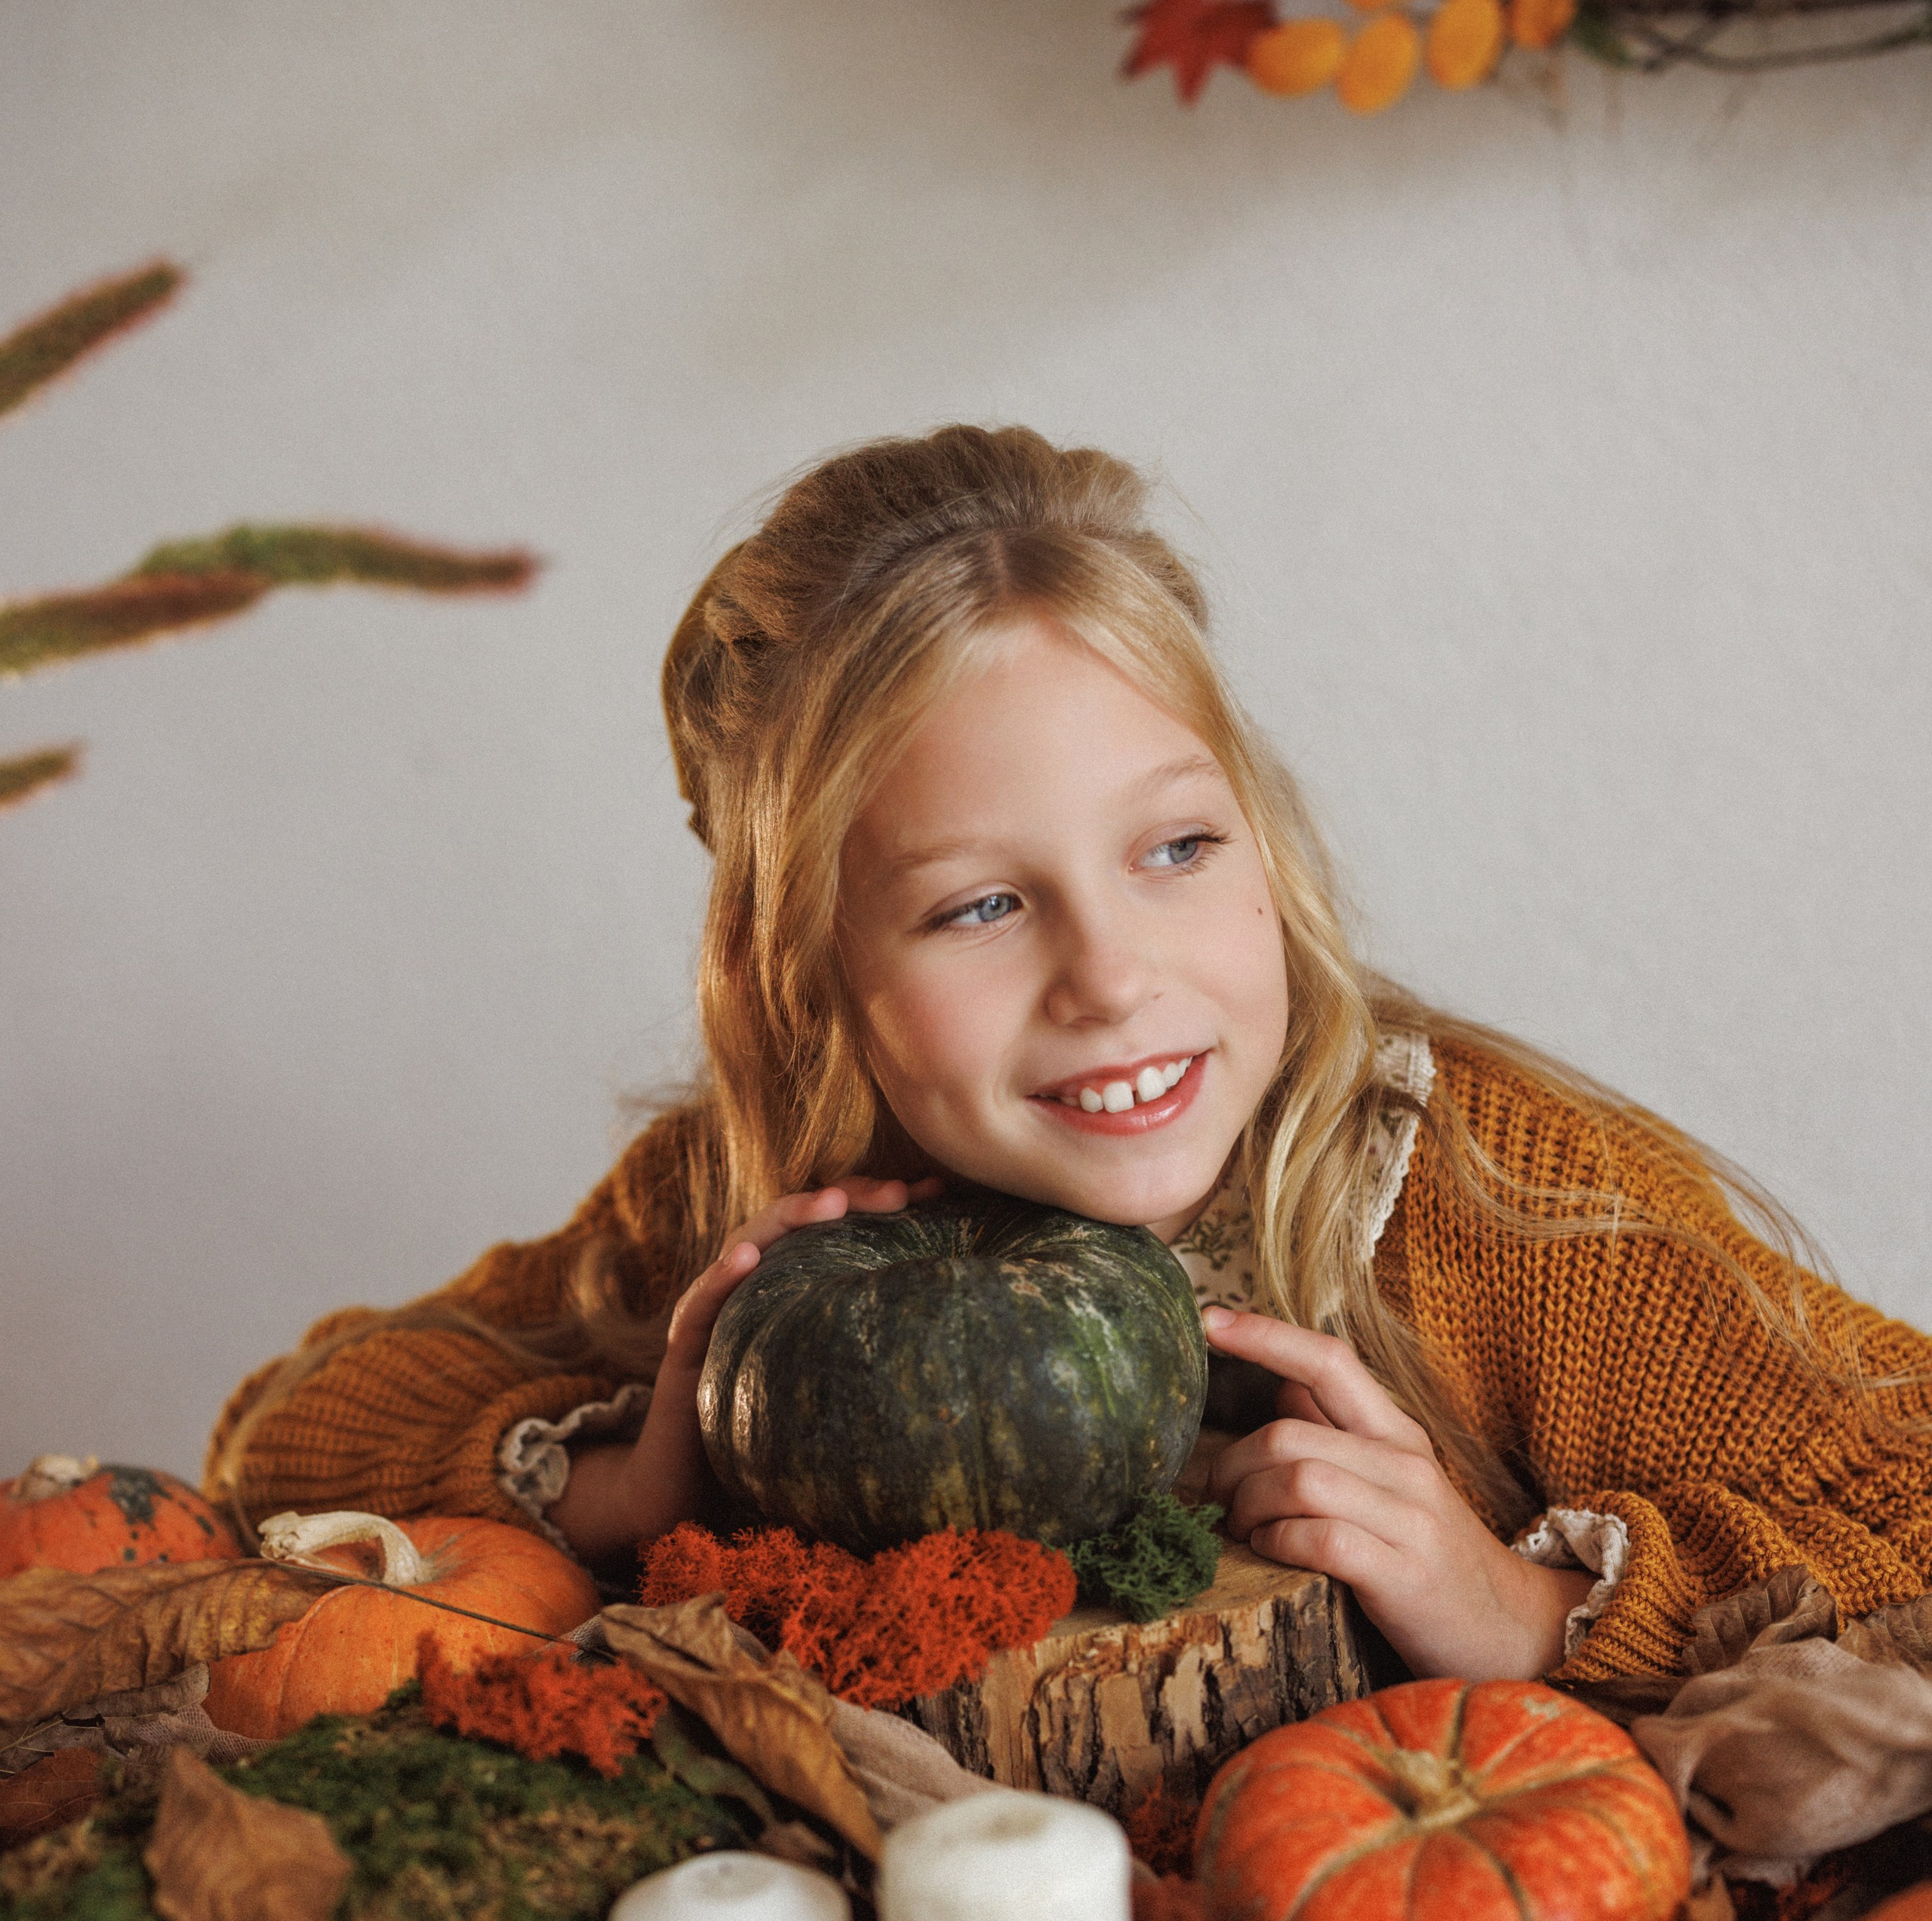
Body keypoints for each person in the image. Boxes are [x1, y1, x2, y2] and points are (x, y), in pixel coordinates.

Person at [205, 426, 1932, 1707]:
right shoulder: (760, 1231)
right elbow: (277, 1443)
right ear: (809, 970)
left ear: (1262, 835)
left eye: (1174, 849)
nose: (1111, 975)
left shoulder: (1478, 1198)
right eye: (974, 904)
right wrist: (616, 1482)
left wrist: (1525, 1611)